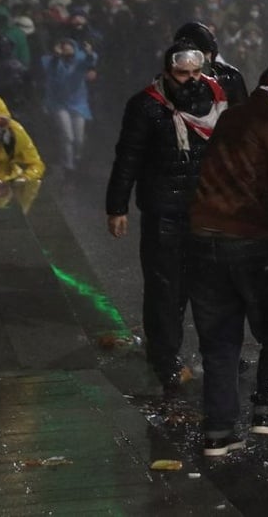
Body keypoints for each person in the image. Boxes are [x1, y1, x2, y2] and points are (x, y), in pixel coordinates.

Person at [186, 58, 268, 457]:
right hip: (248, 236)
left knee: (220, 338)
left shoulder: (232, 116)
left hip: (204, 235)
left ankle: (219, 431)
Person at [105, 41, 228, 394]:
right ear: (167, 71)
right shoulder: (146, 106)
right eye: (181, 73)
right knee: (165, 289)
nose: (189, 81)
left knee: (207, 287)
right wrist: (117, 207)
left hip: (205, 210)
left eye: (195, 73)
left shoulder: (214, 100)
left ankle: (217, 353)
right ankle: (165, 357)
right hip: (164, 212)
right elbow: (127, 157)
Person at [41, 37, 97, 176]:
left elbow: (91, 61)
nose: (66, 47)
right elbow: (50, 69)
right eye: (63, 45)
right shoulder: (52, 61)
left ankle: (77, 158)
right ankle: (68, 165)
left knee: (79, 138)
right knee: (67, 136)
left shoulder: (80, 61)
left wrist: (89, 52)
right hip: (59, 104)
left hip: (78, 103)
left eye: (69, 45)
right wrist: (56, 56)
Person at [174, 22, 249, 107]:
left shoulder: (230, 77)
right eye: (195, 55)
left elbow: (243, 115)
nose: (202, 60)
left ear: (213, 53)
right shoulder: (169, 81)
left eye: (205, 53)